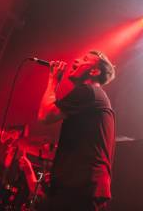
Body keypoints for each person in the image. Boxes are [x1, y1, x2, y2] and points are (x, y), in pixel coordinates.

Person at [38, 50, 116, 210]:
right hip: (82, 184)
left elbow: (45, 116)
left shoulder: (88, 92)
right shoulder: (94, 96)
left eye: (84, 59)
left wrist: (53, 80)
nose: (75, 60)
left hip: (80, 186)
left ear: (94, 71)